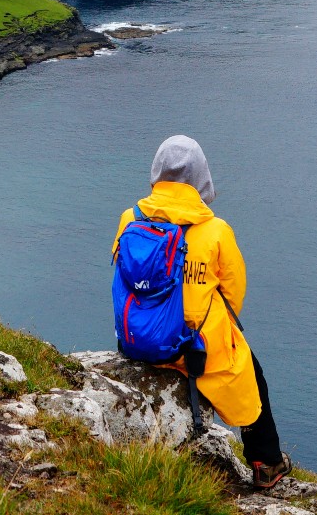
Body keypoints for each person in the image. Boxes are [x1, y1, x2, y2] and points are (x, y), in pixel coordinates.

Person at [112, 134, 289, 488]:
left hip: (138, 342)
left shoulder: (130, 219)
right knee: (253, 375)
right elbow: (233, 293)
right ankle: (266, 463)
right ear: (201, 178)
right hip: (193, 351)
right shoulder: (215, 230)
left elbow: (120, 275)